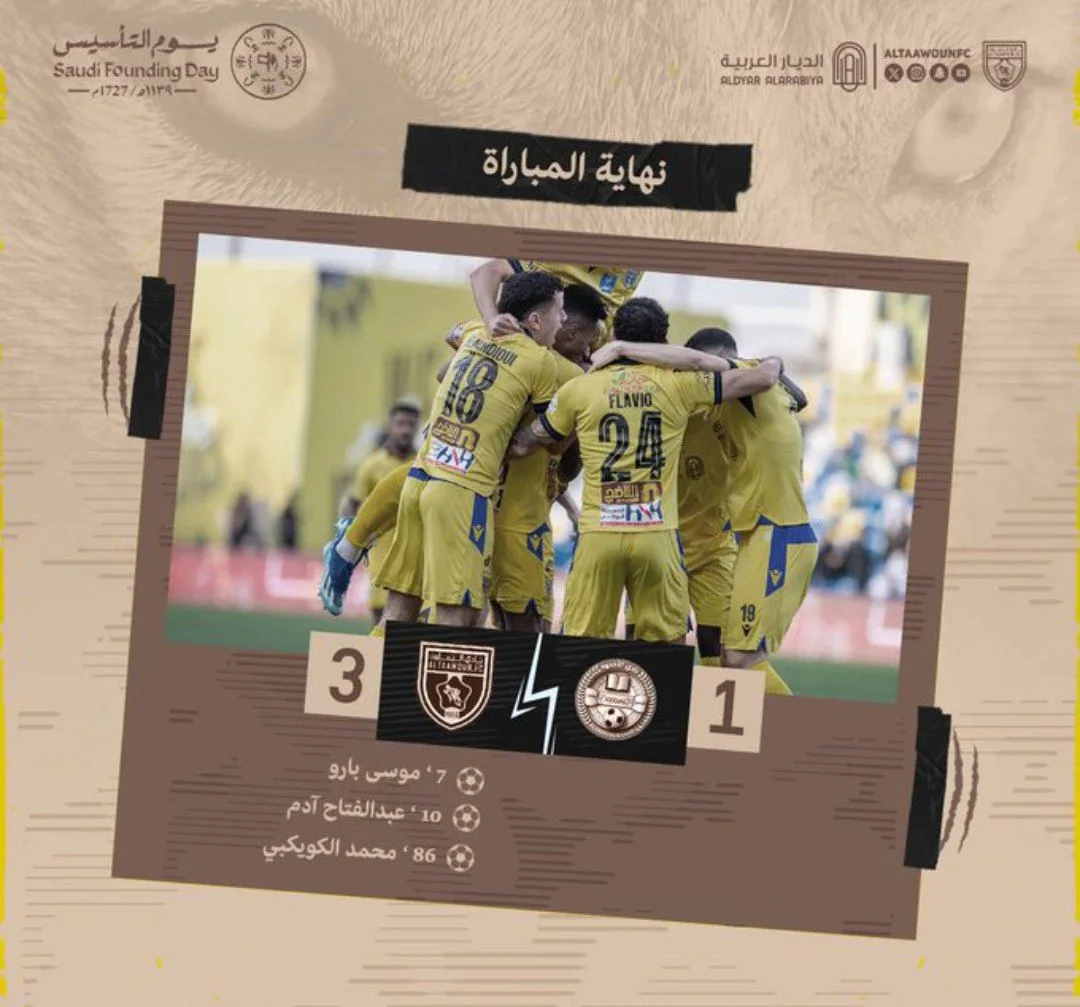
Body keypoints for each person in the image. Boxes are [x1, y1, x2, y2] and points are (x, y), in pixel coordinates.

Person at [511, 297, 780, 643]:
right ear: (662, 342)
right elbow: (760, 378)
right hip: (657, 536)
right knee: (665, 648)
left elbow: (523, 445)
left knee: (580, 645)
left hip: (598, 537)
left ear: (614, 335)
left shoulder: (579, 388)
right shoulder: (679, 385)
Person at [321, 271, 565, 627]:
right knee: (458, 615)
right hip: (462, 491)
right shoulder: (543, 361)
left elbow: (450, 336)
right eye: (559, 311)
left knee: (399, 614)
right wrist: (522, 440)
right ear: (536, 320)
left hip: (419, 481)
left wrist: (489, 323)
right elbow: (550, 435)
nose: (563, 320)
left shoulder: (474, 332)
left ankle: (350, 549)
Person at [592, 328, 815, 695]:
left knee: (735, 659)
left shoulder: (744, 380)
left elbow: (722, 367)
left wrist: (620, 347)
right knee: (722, 659)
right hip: (720, 538)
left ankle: (793, 728)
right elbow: (799, 397)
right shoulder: (716, 399)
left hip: (768, 533)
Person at [488, 283, 606, 632]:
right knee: (528, 631)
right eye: (589, 342)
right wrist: (582, 401)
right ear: (570, 332)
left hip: (514, 513)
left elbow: (565, 470)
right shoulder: (563, 374)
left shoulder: (512, 351)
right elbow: (548, 448)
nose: (590, 351)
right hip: (518, 523)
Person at [338, 399, 421, 624]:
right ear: (389, 426)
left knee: (413, 622)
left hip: (415, 555)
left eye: (411, 425)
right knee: (381, 617)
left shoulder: (423, 463)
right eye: (400, 424)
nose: (405, 430)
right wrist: (347, 542)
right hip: (381, 555)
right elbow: (353, 504)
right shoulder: (372, 465)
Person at [469, 258, 644, 351]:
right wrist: (491, 319)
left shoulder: (632, 271)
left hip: (580, 365)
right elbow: (489, 271)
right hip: (525, 349)